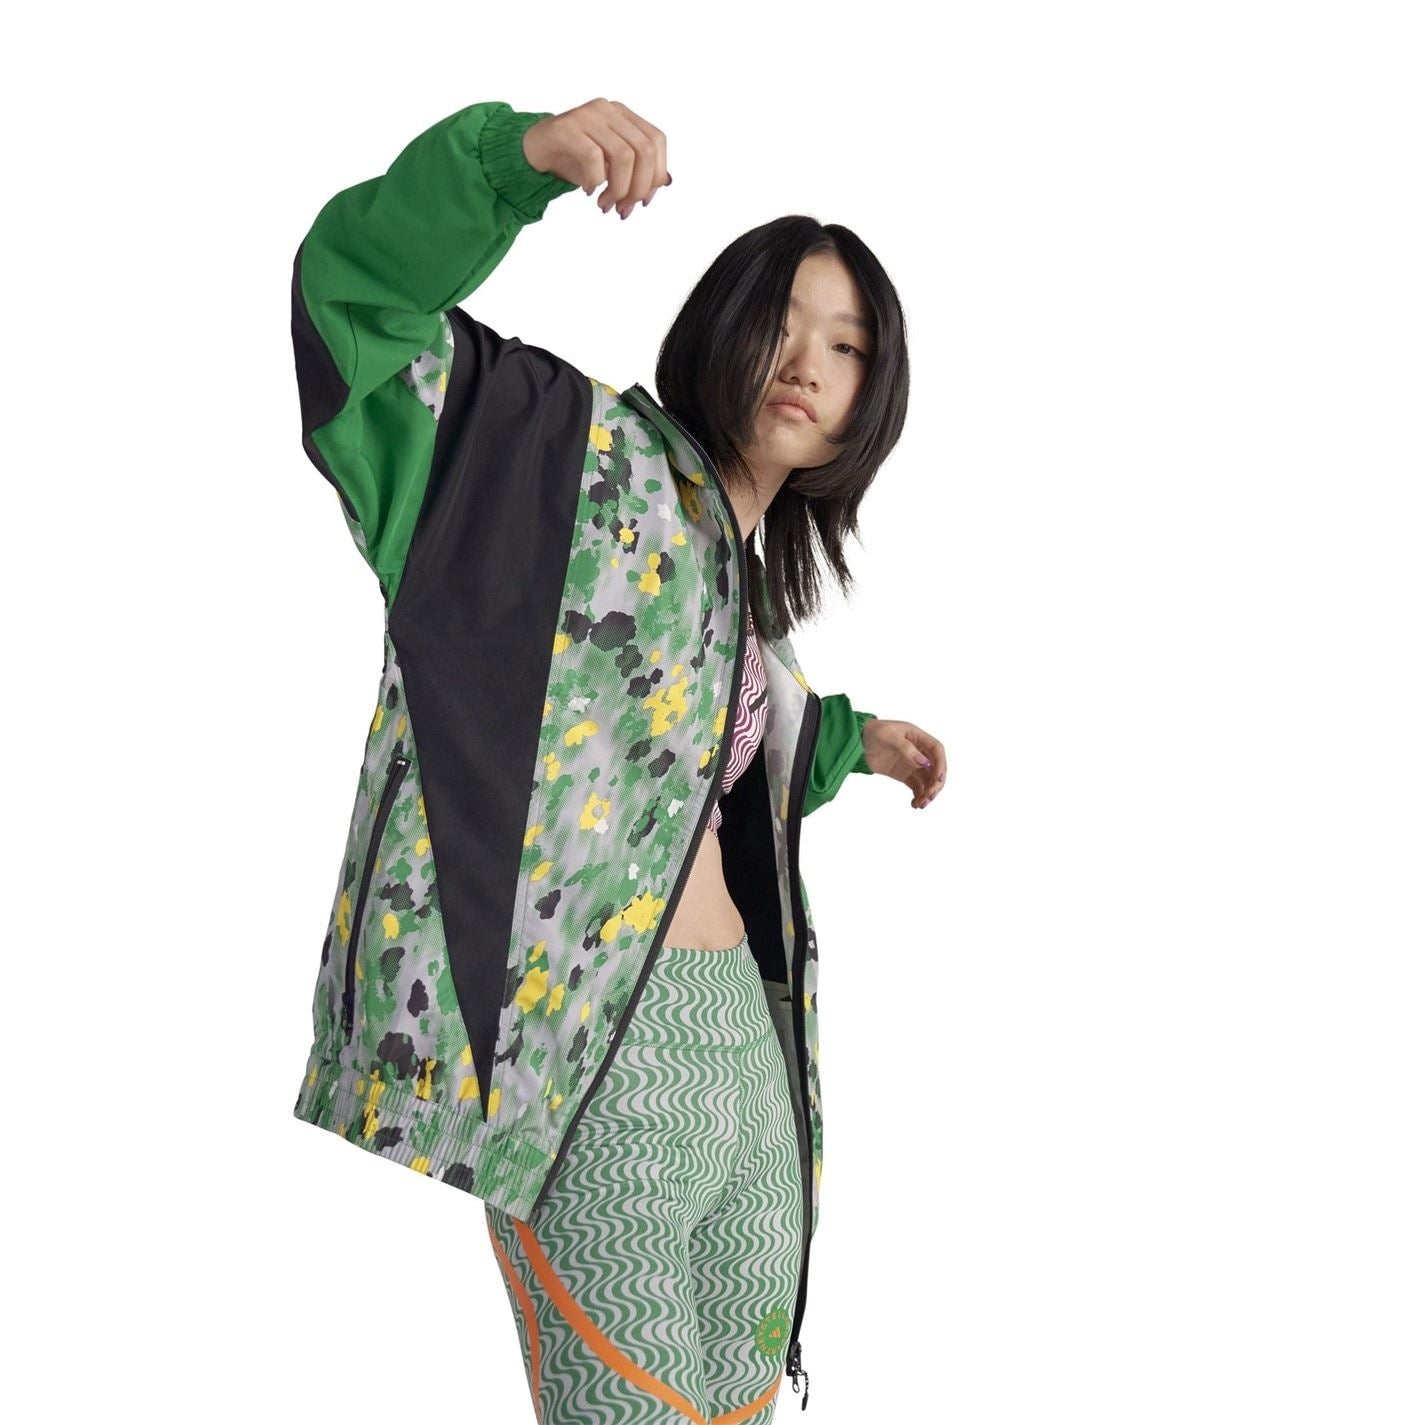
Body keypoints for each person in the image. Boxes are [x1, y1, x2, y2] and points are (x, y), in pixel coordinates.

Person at [289, 96, 947, 1424]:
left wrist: (842, 742)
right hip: (596, 1068)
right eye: (783, 320)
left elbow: (685, 738)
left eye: (847, 345)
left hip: (750, 1060)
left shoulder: (740, 584)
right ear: (720, 323)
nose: (808, 361)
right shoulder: (558, 459)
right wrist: (509, 162)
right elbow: (353, 299)